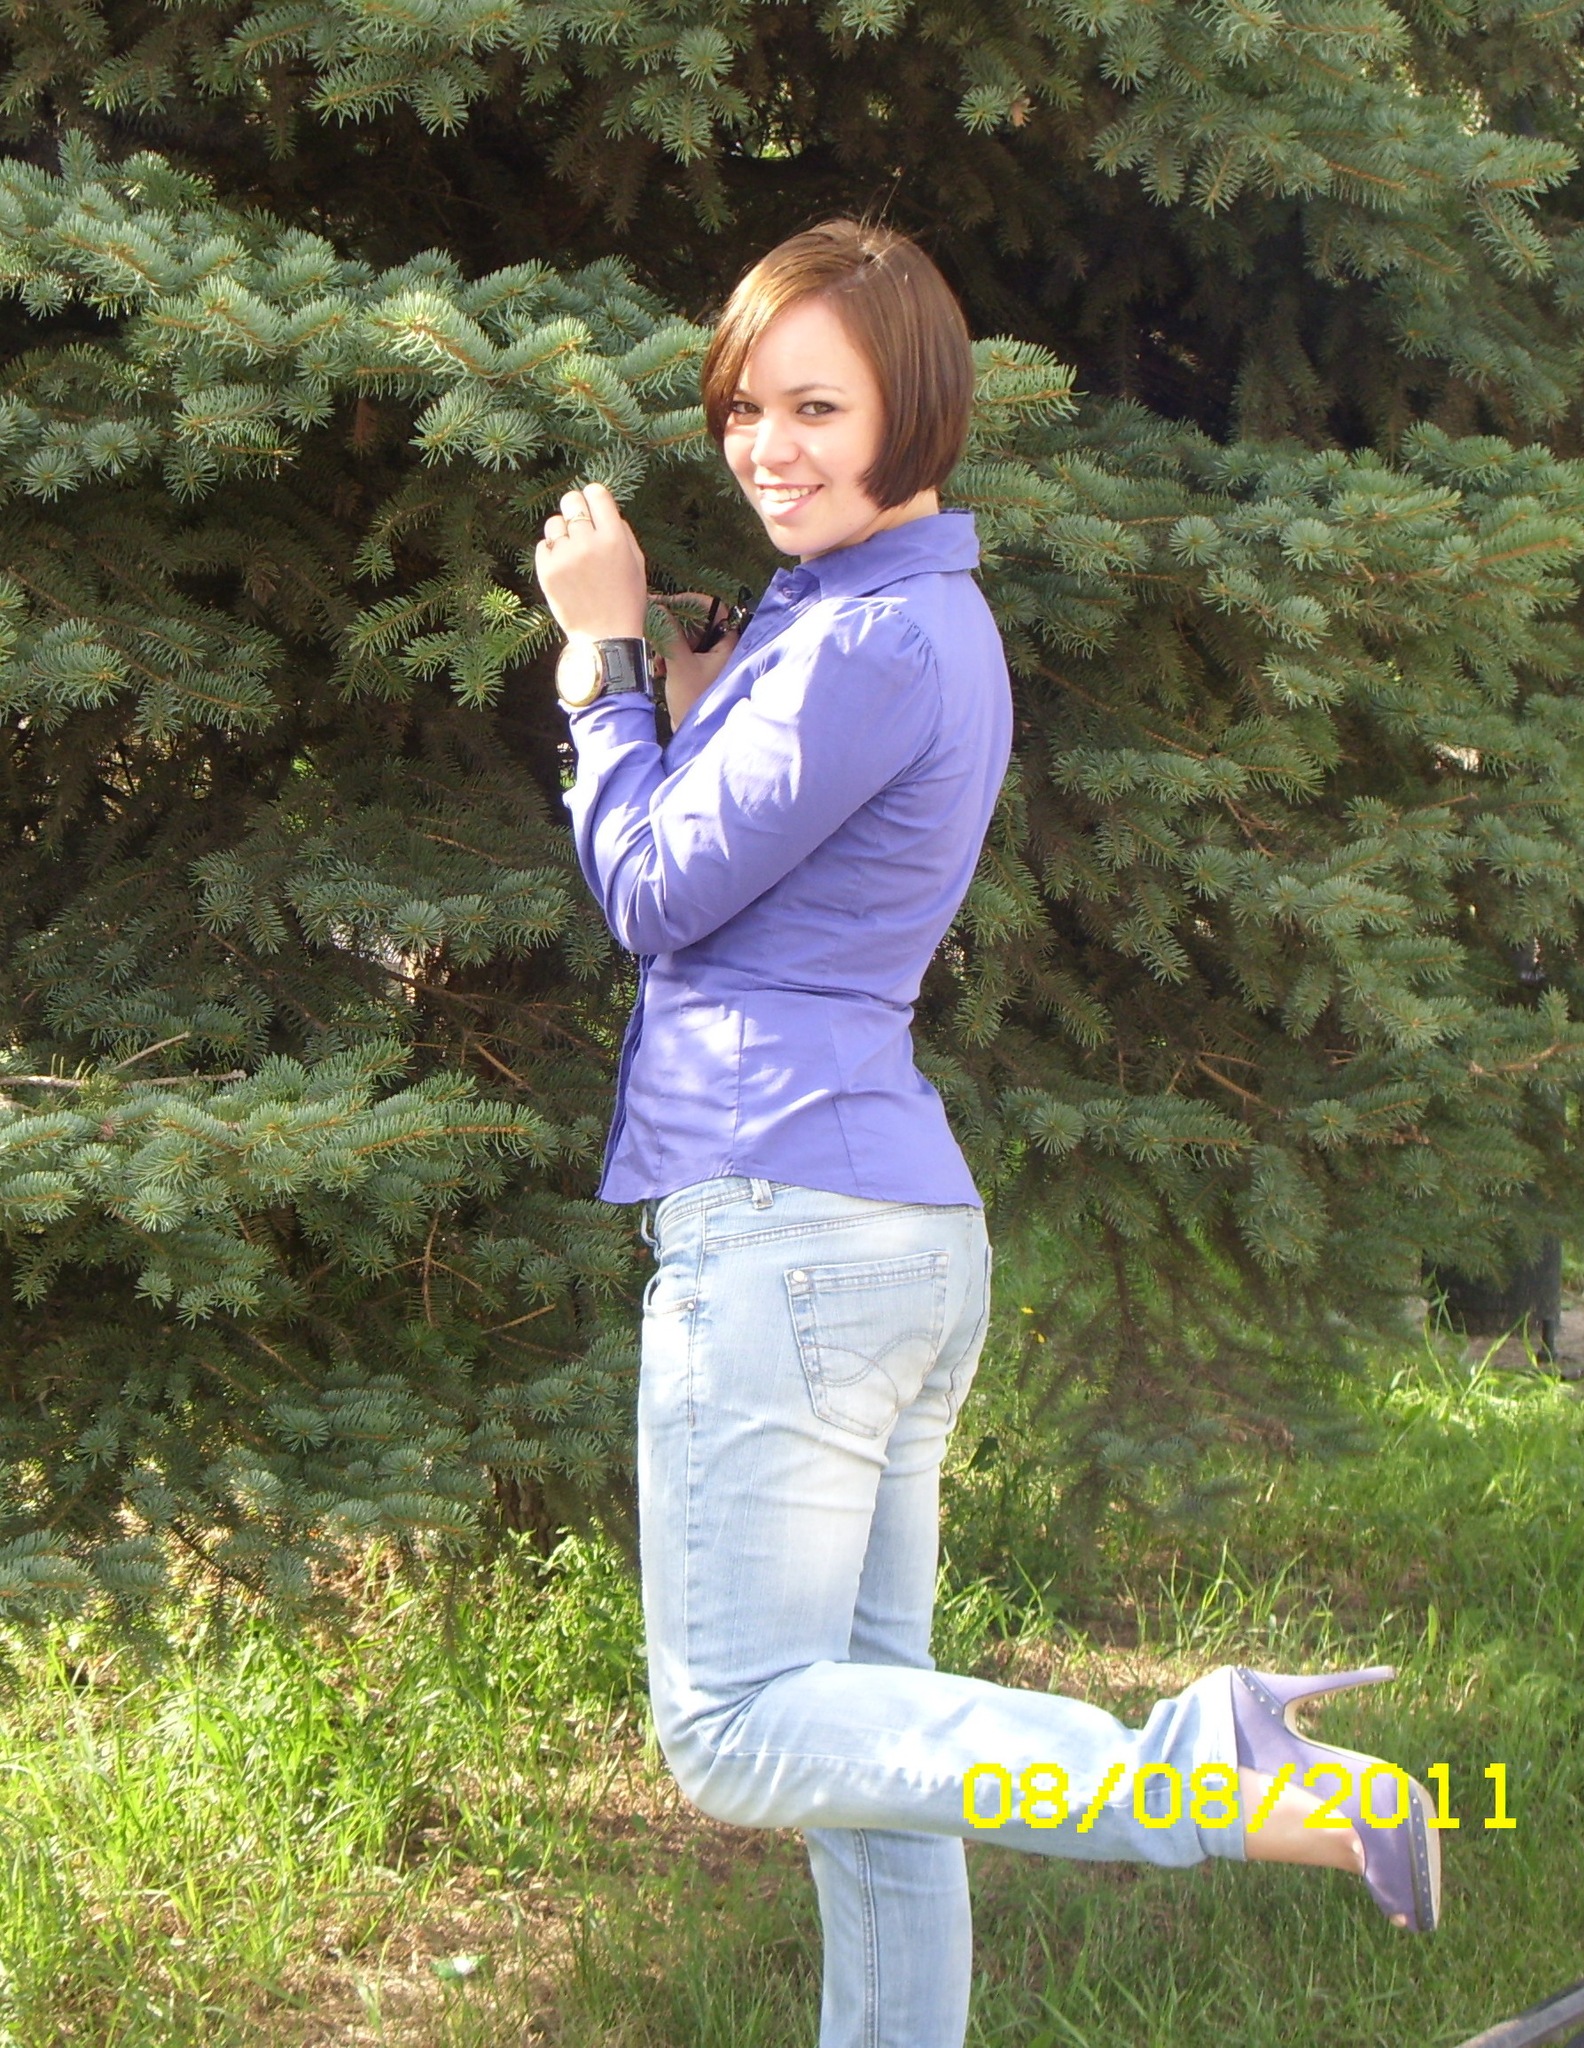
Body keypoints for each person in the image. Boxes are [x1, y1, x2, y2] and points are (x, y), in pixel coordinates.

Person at [533, 218, 1441, 2048]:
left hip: (788, 1226)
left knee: (733, 1731)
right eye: (743, 408)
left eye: (815, 407)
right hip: (871, 1230)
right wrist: (696, 702)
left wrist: (604, 664)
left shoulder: (870, 638)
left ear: (916, 409)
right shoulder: (861, 618)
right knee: (877, 1766)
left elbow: (650, 892)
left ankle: (1202, 1764)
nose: (765, 446)